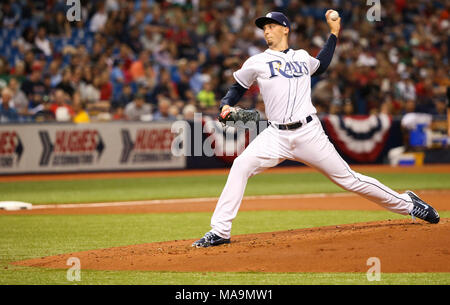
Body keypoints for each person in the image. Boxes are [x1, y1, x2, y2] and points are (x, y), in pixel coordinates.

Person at [192, 11, 440, 248]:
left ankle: (408, 204)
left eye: (271, 26)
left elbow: (320, 64)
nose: (266, 31)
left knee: (349, 180)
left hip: (308, 133)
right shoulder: (257, 61)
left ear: (285, 29)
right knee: (240, 166)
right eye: (264, 28)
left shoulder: (301, 56)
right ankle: (220, 231)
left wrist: (334, 33)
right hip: (275, 134)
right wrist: (225, 105)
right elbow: (237, 87)